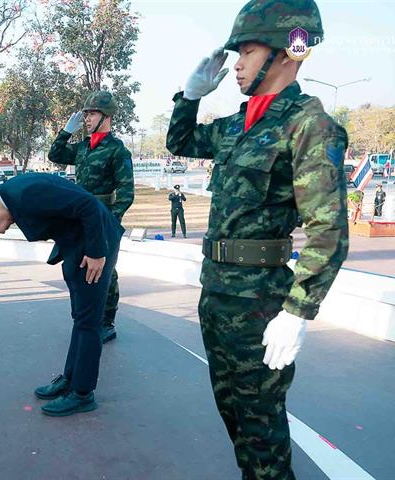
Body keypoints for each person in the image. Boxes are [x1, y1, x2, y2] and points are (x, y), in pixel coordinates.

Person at [166, 1, 349, 478]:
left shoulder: (309, 125)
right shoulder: (238, 125)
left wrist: (298, 311)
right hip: (218, 293)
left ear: (288, 52)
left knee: (261, 427)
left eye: (247, 52)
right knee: (235, 416)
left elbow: (328, 231)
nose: (238, 65)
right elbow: (180, 143)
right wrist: (189, 96)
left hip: (260, 303)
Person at [0, 173, 123, 416]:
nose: (1, 232)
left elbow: (88, 205)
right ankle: (70, 379)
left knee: (89, 322)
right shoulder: (13, 192)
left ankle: (82, 393)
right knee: (81, 318)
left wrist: (97, 252)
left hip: (94, 245)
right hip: (79, 244)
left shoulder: (25, 195)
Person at [48, 91, 134, 344]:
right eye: (85, 113)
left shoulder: (117, 150)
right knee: (76, 265)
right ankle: (84, 316)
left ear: (106, 116)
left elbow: (127, 193)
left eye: (92, 113)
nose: (86, 118)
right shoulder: (84, 147)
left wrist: (111, 221)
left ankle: (107, 322)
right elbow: (56, 156)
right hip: (79, 218)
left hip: (102, 216)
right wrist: (65, 132)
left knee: (106, 270)